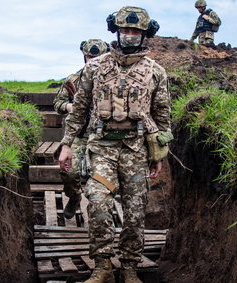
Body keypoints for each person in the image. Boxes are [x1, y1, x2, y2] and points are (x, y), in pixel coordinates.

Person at [58, 6, 172, 283]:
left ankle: (130, 268)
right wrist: (67, 144)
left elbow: (163, 113)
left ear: (145, 34)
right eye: (125, 30)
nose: (130, 35)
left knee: (135, 212)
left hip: (136, 151)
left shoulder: (156, 72)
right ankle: (102, 266)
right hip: (102, 149)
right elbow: (80, 107)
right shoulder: (94, 67)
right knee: (97, 202)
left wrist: (159, 153)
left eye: (135, 31)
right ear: (116, 31)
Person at [53, 39, 110, 219]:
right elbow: (58, 103)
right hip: (78, 134)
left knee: (102, 177)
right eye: (89, 57)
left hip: (103, 136)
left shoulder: (113, 80)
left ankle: (99, 210)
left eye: (97, 57)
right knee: (68, 172)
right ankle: (74, 196)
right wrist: (72, 107)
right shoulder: (74, 80)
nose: (92, 60)